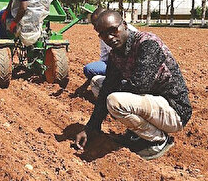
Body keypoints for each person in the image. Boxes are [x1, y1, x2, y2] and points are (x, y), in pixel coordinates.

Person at [75, 10, 192, 160]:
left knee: (114, 100)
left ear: (124, 25)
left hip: (174, 111)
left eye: (113, 30)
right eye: (103, 34)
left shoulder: (147, 44)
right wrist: (91, 128)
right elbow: (107, 87)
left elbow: (139, 86)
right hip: (153, 105)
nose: (109, 37)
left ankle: (158, 140)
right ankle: (138, 133)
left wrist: (110, 93)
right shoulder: (116, 53)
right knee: (98, 84)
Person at [83, 7, 138, 98]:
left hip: (131, 66)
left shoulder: (132, 33)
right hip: (116, 64)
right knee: (89, 69)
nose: (96, 27)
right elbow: (105, 58)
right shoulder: (103, 36)